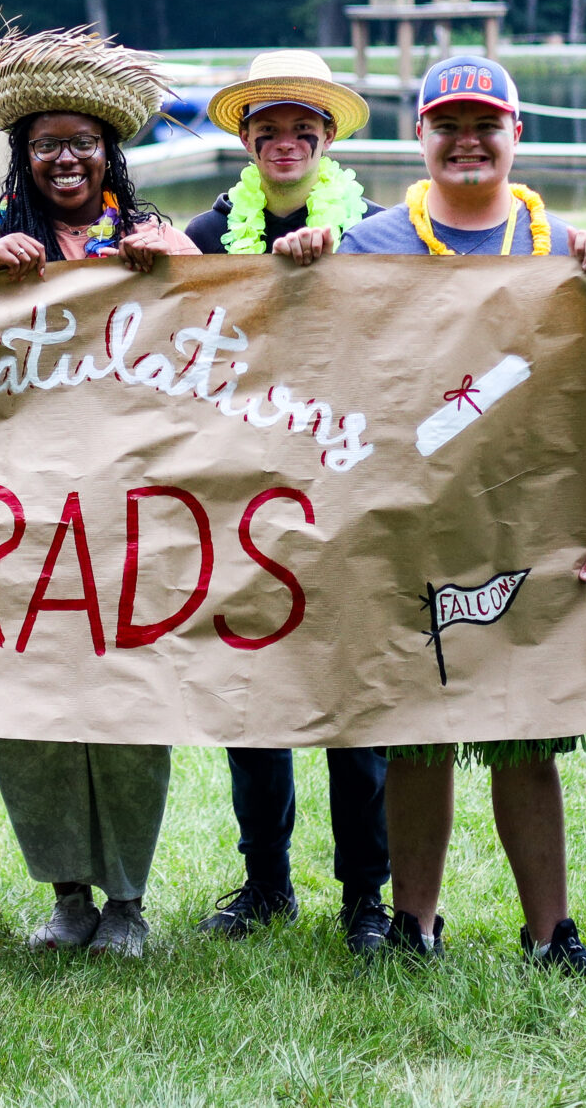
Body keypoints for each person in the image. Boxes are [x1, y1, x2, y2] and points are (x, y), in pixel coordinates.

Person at [329, 54, 586, 967]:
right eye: (448, 125)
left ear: (515, 133)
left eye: (485, 124)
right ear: (419, 134)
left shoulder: (565, 247)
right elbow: (322, 379)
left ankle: (550, 931)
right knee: (415, 736)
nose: (467, 141)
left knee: (524, 731)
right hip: (406, 523)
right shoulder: (368, 245)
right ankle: (413, 923)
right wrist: (301, 270)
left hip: (526, 526)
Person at [0, 27, 200, 959]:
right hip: (17, 516)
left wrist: (183, 269)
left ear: (109, 148)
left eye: (83, 141)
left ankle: (128, 900)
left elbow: (224, 339)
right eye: (47, 143)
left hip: (132, 512)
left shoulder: (153, 239)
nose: (66, 158)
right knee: (27, 706)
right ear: (23, 152)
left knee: (131, 701)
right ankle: (68, 895)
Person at [181, 50, 391, 955]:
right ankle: (266, 880)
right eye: (268, 127)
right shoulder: (206, 234)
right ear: (246, 139)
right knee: (251, 691)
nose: (286, 140)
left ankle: (366, 895)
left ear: (328, 136)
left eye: (305, 126)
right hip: (240, 490)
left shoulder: (375, 231)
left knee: (356, 697)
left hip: (347, 484)